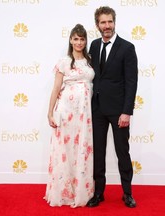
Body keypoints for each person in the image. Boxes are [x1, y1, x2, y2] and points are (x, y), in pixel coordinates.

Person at [86, 6, 138, 208]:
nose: (106, 26)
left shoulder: (127, 48)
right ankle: (98, 193)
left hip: (118, 111)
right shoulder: (94, 45)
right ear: (97, 25)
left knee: (122, 152)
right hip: (97, 109)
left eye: (109, 21)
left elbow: (131, 82)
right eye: (102, 22)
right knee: (98, 153)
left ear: (114, 22)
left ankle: (127, 193)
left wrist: (127, 111)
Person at [44, 24, 95, 208]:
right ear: (70, 40)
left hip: (85, 115)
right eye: (75, 38)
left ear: (85, 41)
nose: (79, 42)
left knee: (82, 149)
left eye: (82, 39)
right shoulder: (64, 61)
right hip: (66, 112)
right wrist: (50, 112)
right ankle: (64, 191)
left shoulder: (90, 61)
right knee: (65, 150)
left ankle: (81, 190)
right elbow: (56, 87)